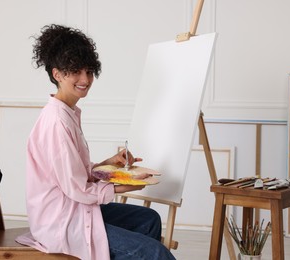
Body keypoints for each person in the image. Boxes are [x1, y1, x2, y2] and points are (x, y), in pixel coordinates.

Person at [20, 24, 176, 260]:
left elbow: (72, 174)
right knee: (155, 253)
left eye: (89, 71)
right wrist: (119, 187)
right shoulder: (56, 122)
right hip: (63, 222)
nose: (85, 79)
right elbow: (77, 188)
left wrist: (107, 163)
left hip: (74, 209)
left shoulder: (68, 113)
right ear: (57, 74)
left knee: (149, 219)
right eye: (75, 71)